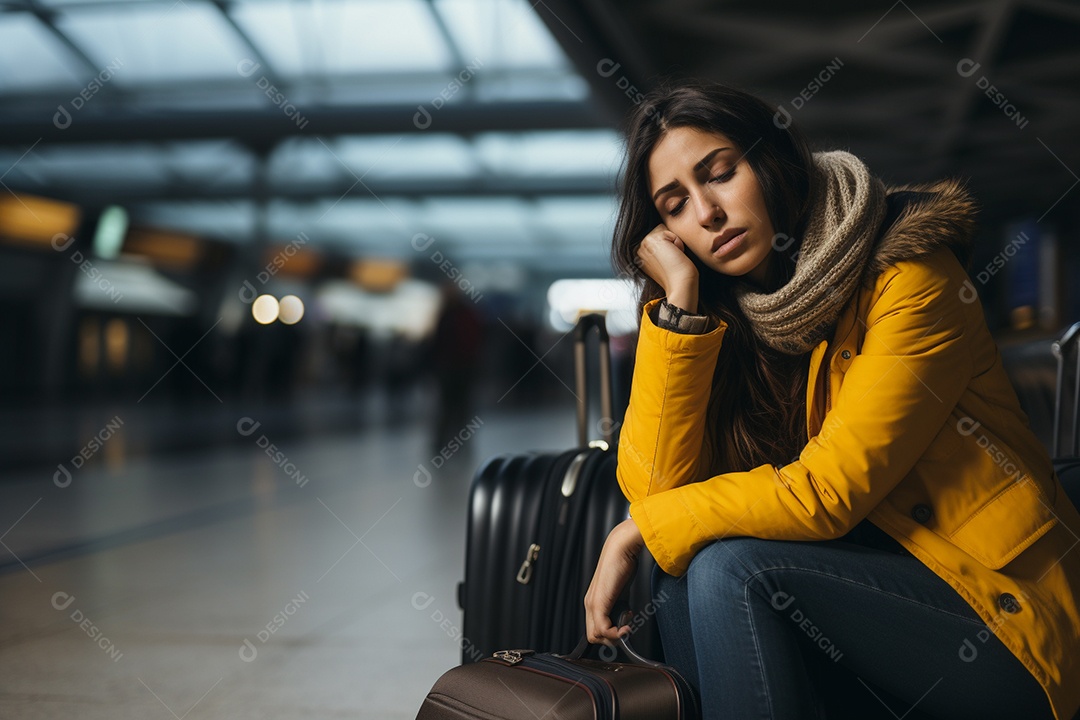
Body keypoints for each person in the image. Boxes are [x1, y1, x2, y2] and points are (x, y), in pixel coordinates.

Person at [582, 81, 1080, 720]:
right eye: (675, 205)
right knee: (683, 568)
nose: (706, 213)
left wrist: (632, 533)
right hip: (856, 614)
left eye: (721, 174)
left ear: (771, 161)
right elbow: (656, 491)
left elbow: (829, 491)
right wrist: (679, 306)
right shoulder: (725, 319)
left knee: (730, 569)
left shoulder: (910, 276)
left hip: (999, 620)